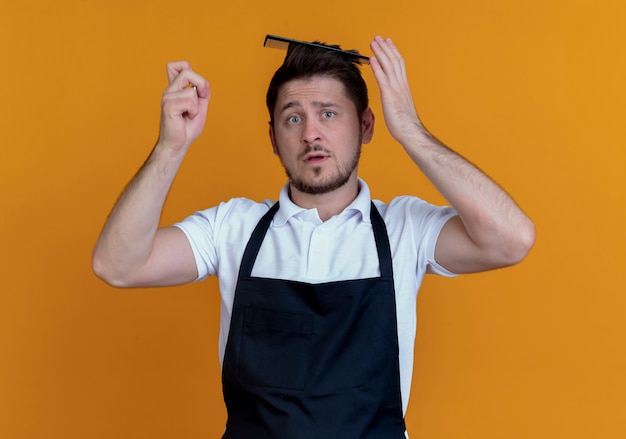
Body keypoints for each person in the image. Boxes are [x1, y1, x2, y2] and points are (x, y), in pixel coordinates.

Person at [93, 35, 535, 438]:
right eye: (292, 118)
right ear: (272, 138)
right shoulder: (233, 229)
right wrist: (170, 147)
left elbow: (511, 239)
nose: (311, 133)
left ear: (365, 126)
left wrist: (411, 130)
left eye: (328, 113)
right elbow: (118, 264)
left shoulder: (406, 229)